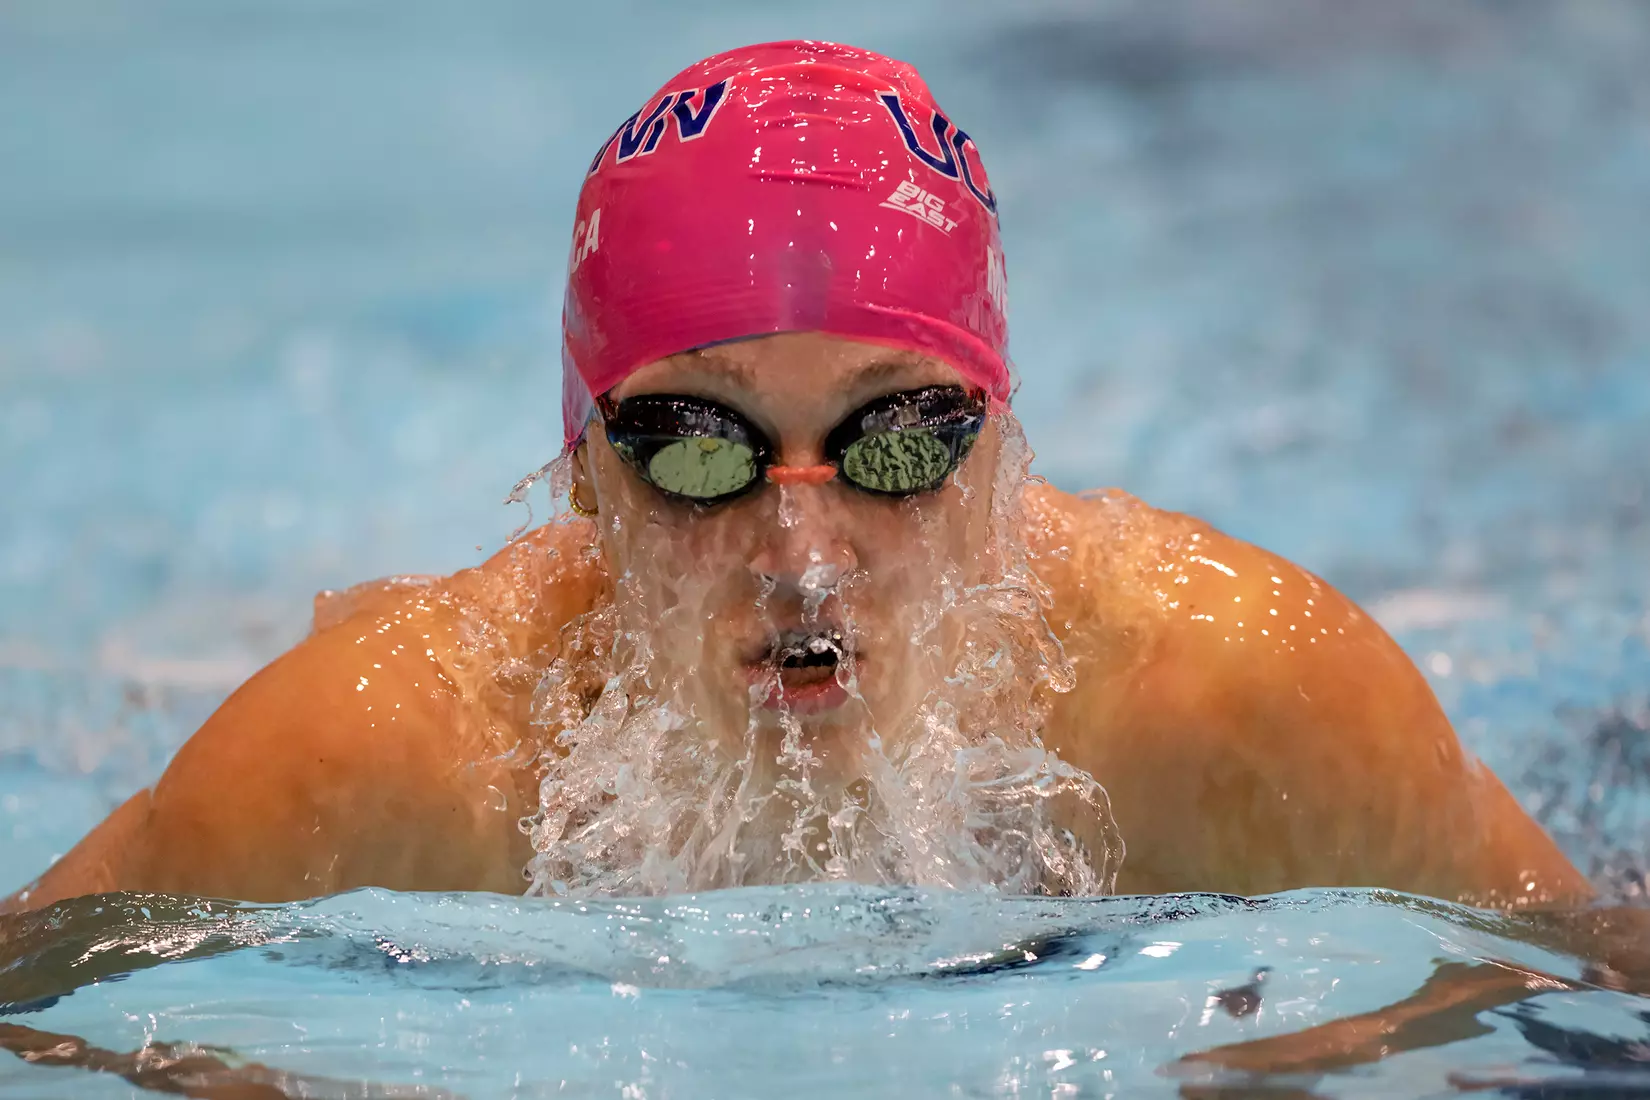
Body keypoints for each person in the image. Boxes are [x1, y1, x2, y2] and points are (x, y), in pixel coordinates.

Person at [5, 40, 1589, 913]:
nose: (801, 540)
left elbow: (1582, 993)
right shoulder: (371, 776)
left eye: (900, 437)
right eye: (697, 445)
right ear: (579, 476)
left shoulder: (1249, 712)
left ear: (1000, 449)